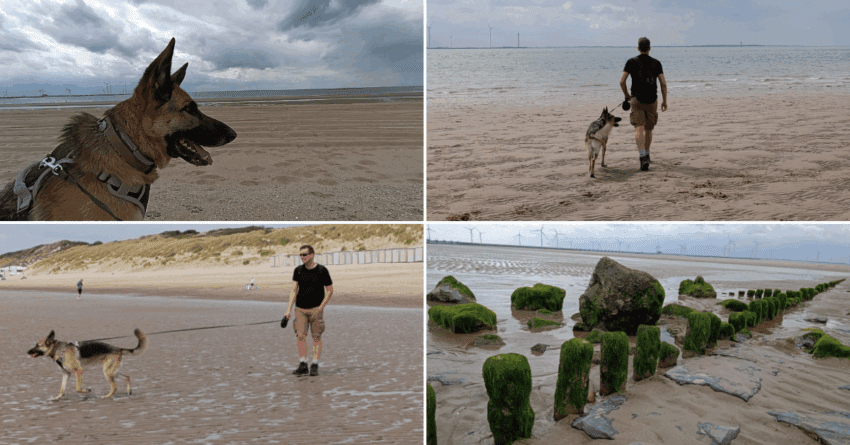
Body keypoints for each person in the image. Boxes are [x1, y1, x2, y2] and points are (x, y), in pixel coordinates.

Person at [282, 245, 333, 377]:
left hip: (316, 309)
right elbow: (293, 291)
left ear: (312, 255)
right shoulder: (298, 271)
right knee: (300, 336)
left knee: (316, 336)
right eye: (301, 255)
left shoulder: (322, 270)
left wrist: (321, 307)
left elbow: (330, 290)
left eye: (305, 254)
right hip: (300, 309)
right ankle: (303, 364)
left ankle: (314, 364)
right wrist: (288, 310)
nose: (302, 257)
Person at [619, 36, 667, 171]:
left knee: (638, 128)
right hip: (652, 100)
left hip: (637, 100)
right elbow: (663, 84)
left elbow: (622, 81)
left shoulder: (631, 62)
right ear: (650, 48)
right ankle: (647, 153)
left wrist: (627, 95)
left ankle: (642, 156)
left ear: (638, 48)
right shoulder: (656, 63)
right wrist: (664, 101)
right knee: (649, 129)